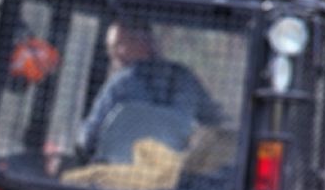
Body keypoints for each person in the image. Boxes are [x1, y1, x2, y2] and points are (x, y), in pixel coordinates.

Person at [75, 20, 224, 162]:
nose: (113, 54)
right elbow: (217, 125)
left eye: (117, 45)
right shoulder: (186, 78)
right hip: (176, 181)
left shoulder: (121, 84)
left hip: (123, 179)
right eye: (110, 48)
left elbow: (89, 138)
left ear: (142, 41)